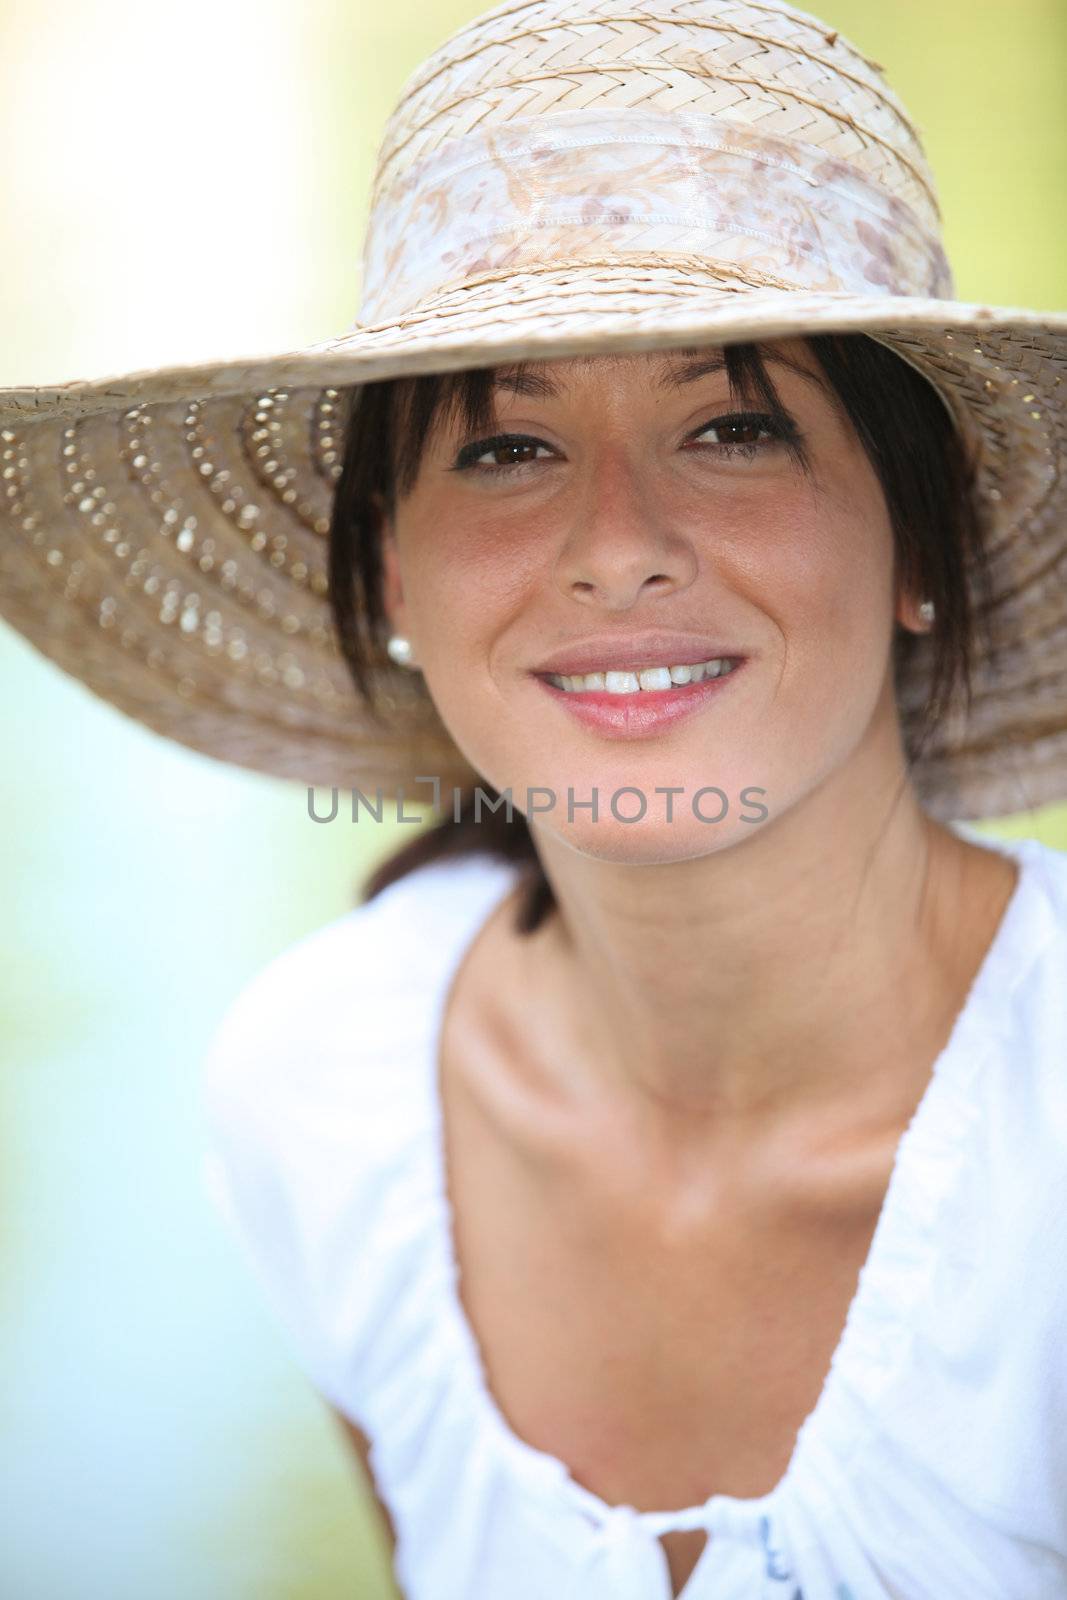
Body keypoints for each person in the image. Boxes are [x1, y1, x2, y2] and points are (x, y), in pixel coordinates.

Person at [2, 3, 1066, 1598]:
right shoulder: (327, 1093)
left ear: (921, 544)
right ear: (390, 573)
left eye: (736, 426)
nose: (616, 543)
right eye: (505, 449)